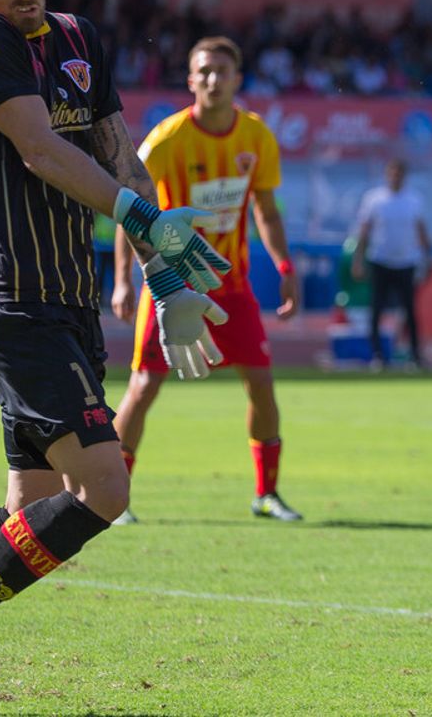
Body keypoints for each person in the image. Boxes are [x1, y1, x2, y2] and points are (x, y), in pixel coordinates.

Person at [0, 0, 231, 716]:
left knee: (26, 518)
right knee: (106, 489)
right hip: (16, 304)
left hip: (68, 308)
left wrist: (166, 280)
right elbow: (40, 149)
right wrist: (140, 223)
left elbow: (117, 156)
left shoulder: (76, 37)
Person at [111, 36, 304, 523]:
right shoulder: (166, 141)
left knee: (261, 384)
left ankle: (267, 494)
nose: (214, 80)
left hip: (232, 285)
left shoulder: (257, 138)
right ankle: (113, 498)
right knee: (142, 387)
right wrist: (123, 281)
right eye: (205, 71)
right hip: (171, 285)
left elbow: (266, 211)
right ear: (191, 79)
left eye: (223, 71)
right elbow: (129, 210)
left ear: (239, 79)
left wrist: (284, 266)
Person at [352, 158, 431, 369]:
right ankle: (378, 355)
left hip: (406, 262)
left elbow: (422, 231)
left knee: (410, 311)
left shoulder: (414, 200)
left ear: (404, 176)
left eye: (399, 173)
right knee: (377, 310)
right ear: (387, 174)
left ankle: (415, 355)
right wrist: (358, 259)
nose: (395, 177)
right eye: (392, 173)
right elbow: (364, 231)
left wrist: (426, 258)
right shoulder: (374, 199)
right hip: (380, 260)